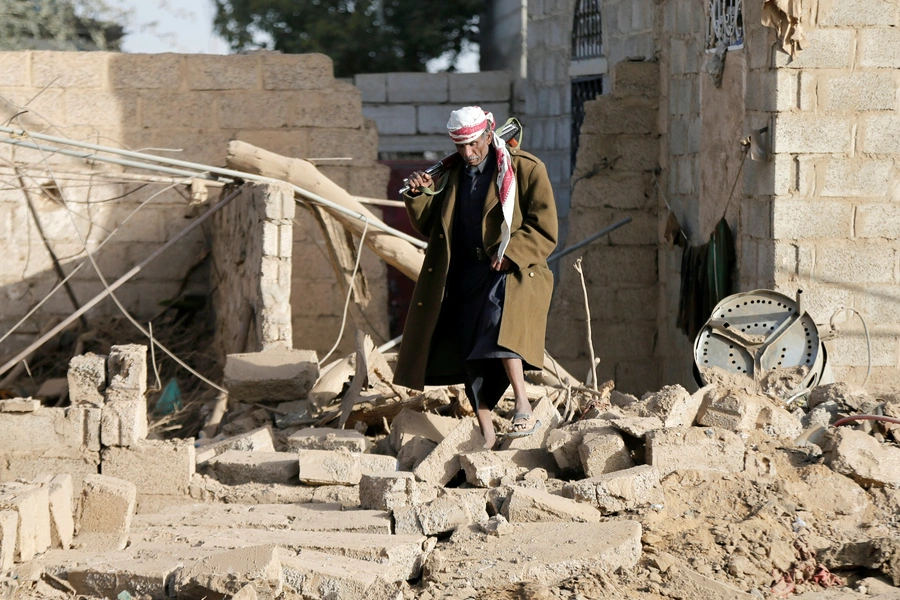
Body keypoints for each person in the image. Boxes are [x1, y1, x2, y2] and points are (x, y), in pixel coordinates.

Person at [392, 106, 558, 449]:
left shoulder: (524, 169)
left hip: (510, 271)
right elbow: (431, 227)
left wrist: (511, 253)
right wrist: (419, 194)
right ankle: (487, 433)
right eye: (460, 147)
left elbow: (544, 228)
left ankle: (522, 406)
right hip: (464, 275)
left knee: (499, 329)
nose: (468, 153)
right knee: (470, 352)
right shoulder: (451, 176)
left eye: (474, 144)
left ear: (488, 134)